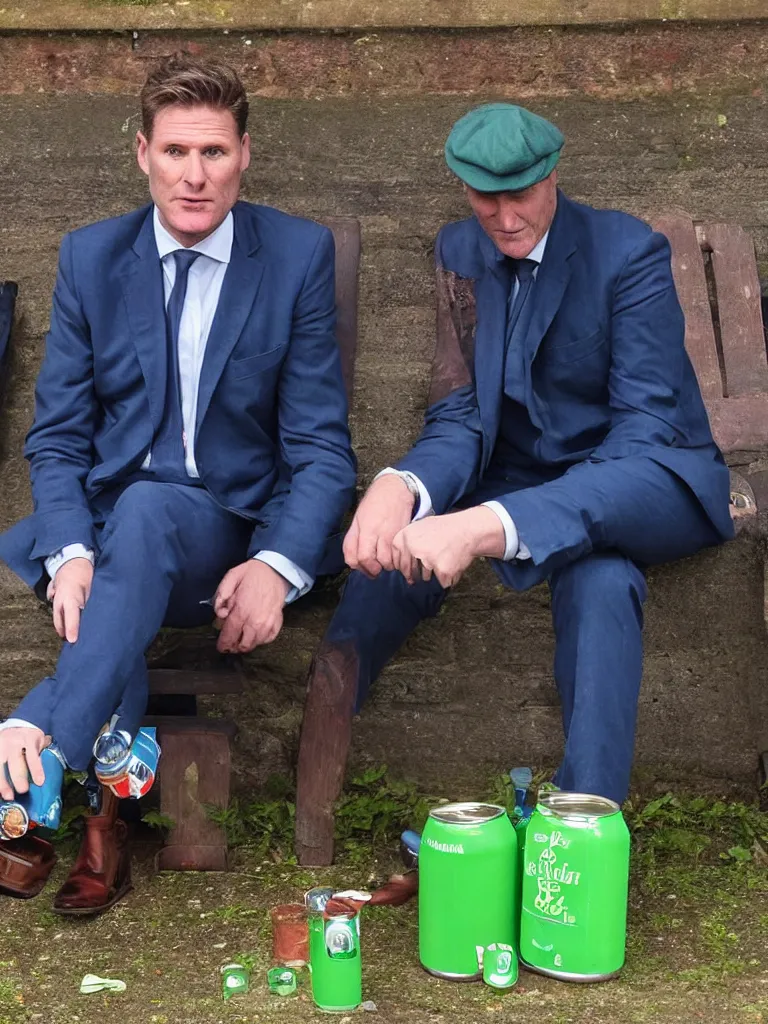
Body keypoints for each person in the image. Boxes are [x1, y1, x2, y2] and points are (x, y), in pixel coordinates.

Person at [0, 54, 355, 911]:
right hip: (114, 539)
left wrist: (275, 565)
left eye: (214, 153)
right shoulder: (91, 258)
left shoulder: (296, 255)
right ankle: (97, 817)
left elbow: (321, 448)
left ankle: (38, 746)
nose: (194, 176)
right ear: (142, 154)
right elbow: (56, 437)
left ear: (245, 156)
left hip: (220, 540)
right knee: (123, 537)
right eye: (175, 152)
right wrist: (73, 543)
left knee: (152, 510)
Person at [315, 103, 733, 809]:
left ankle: (583, 833)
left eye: (522, 196)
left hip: (646, 479)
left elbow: (641, 436)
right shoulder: (458, 251)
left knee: (600, 583)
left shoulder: (627, 254)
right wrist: (402, 484)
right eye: (487, 198)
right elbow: (459, 414)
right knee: (384, 557)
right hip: (514, 478)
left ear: (553, 175)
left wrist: (490, 524)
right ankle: (313, 769)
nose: (505, 218)